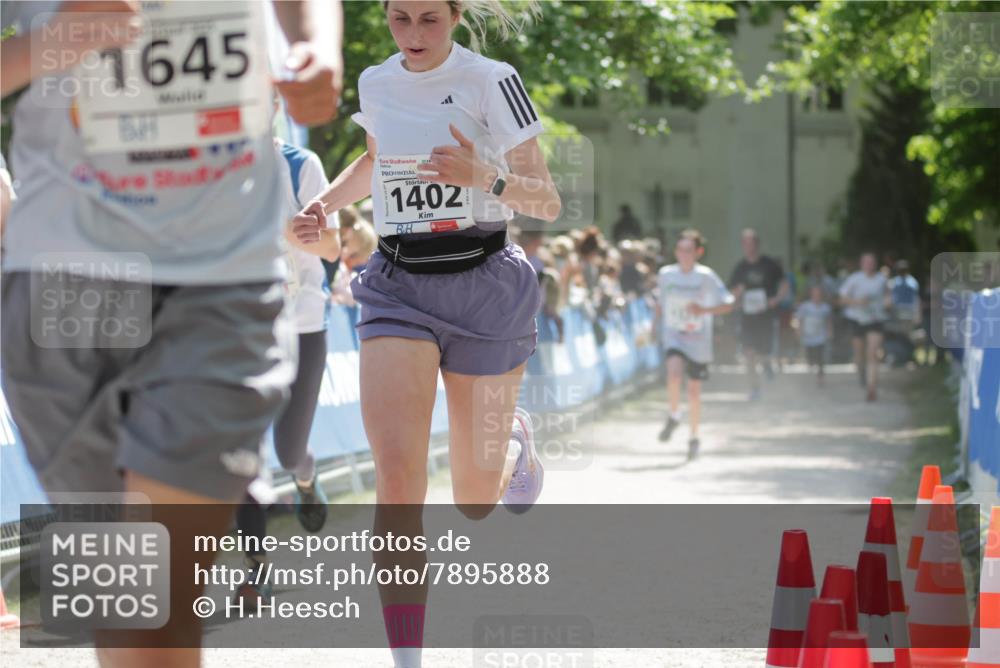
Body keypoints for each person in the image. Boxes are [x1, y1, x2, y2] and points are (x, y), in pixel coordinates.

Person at [0, 2, 341, 666]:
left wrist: (314, 43)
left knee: (159, 609)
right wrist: (46, 45)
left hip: (220, 279)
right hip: (64, 285)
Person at [292, 2, 558, 666]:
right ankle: (407, 658)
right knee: (399, 478)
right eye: (400, 18)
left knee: (472, 502)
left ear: (456, 15)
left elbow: (547, 200)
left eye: (429, 20)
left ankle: (514, 441)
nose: (413, 35)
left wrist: (481, 177)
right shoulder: (376, 82)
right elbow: (377, 159)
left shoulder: (492, 79)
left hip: (485, 283)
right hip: (398, 284)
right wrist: (326, 202)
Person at [233, 134, 341, 607]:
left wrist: (296, 236)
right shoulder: (203, 162)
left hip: (302, 324)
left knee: (287, 448)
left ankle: (303, 474)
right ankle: (257, 572)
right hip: (238, 327)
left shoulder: (300, 163)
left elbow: (335, 247)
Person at [655, 230, 734, 459]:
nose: (683, 254)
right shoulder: (666, 274)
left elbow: (728, 304)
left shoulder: (706, 276)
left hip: (698, 341)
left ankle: (694, 437)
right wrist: (652, 327)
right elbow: (660, 303)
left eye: (688, 250)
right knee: (673, 373)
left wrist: (704, 310)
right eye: (680, 250)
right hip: (675, 336)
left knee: (693, 392)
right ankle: (673, 413)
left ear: (698, 252)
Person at [729, 228, 788, 400]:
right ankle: (754, 388)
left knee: (763, 352)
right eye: (745, 243)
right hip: (747, 317)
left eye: (751, 242)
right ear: (742, 245)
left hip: (766, 316)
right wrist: (737, 294)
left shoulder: (769, 264)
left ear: (757, 244)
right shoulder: (740, 268)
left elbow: (784, 284)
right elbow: (732, 292)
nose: (749, 246)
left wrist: (776, 299)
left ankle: (767, 363)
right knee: (748, 353)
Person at [839, 251, 890, 401]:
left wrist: (888, 302)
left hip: (876, 319)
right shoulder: (854, 279)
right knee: (859, 354)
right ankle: (862, 373)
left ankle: (871, 387)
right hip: (857, 319)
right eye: (866, 262)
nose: (869, 265)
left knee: (873, 353)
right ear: (862, 264)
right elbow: (842, 299)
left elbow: (888, 296)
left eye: (872, 262)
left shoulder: (882, 279)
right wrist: (857, 302)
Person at [795, 284, 833, 387]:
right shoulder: (805, 307)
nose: (817, 296)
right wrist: (799, 331)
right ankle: (811, 366)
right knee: (811, 358)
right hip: (808, 336)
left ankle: (820, 377)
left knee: (820, 357)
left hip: (820, 335)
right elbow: (799, 319)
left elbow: (828, 320)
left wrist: (829, 331)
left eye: (819, 294)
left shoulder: (825, 308)